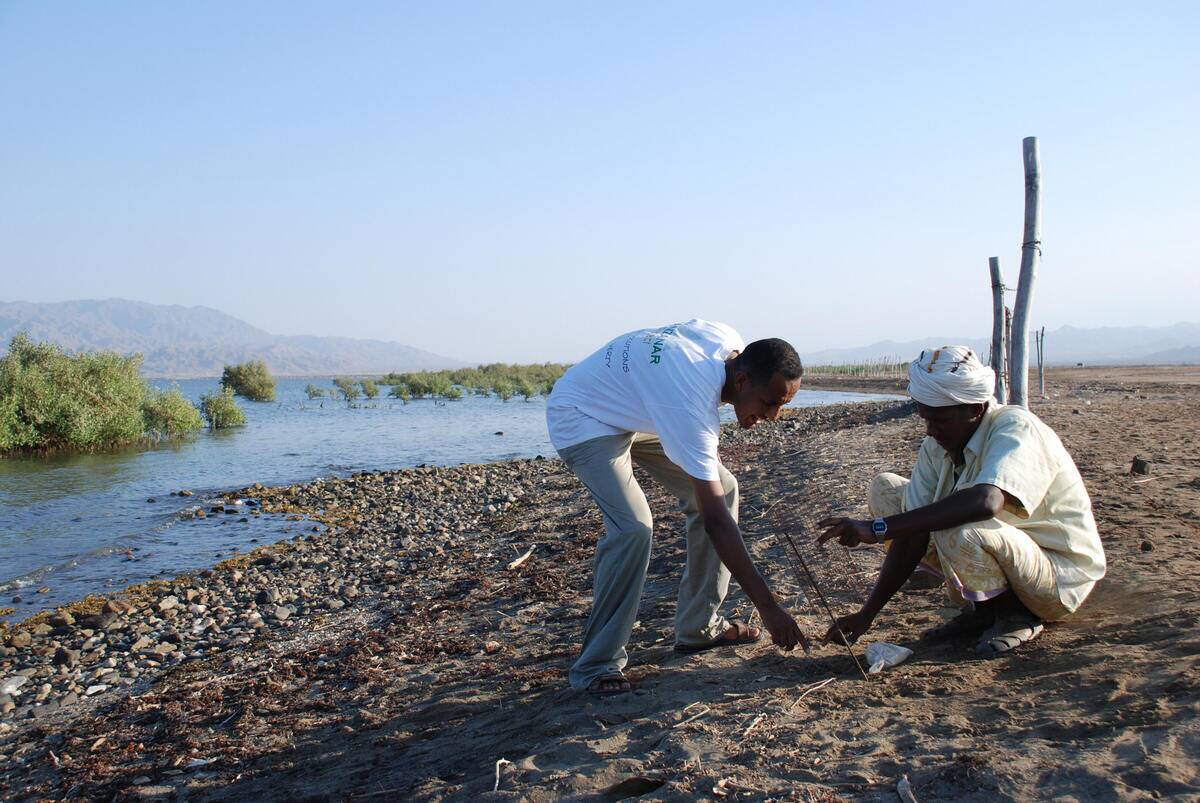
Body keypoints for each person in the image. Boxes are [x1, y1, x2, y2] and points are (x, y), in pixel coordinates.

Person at [547, 319, 809, 694]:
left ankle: (699, 628)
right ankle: (595, 665)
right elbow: (716, 522)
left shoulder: (727, 341)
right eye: (770, 403)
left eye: (781, 406)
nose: (772, 417)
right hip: (582, 413)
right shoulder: (691, 406)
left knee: (726, 487)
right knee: (633, 527)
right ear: (742, 381)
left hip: (642, 410)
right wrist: (768, 607)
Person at [817, 346, 1106, 657]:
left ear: (975, 409)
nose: (930, 430)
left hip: (1056, 578)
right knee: (885, 489)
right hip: (1006, 551)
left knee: (956, 524)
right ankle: (982, 613)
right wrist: (866, 614)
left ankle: (1014, 616)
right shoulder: (936, 445)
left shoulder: (1016, 427)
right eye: (925, 418)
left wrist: (877, 528)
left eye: (940, 419)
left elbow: (985, 501)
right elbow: (911, 530)